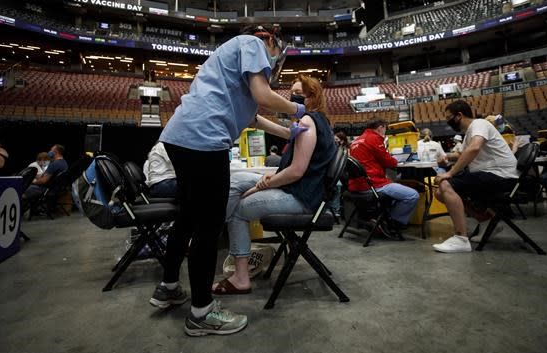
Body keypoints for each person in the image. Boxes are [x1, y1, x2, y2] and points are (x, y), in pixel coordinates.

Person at [151, 24, 307, 337]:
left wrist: (289, 131)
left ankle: (168, 287)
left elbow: (252, 117)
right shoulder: (252, 43)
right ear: (271, 40)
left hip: (180, 136)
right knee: (209, 227)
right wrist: (300, 110)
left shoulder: (230, 60)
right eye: (278, 49)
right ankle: (201, 313)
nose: (275, 58)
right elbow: (263, 95)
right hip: (204, 139)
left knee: (188, 217)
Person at [213, 75, 336, 295]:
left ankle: (240, 276)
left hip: (302, 197)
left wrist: (262, 186)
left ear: (312, 96)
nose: (293, 99)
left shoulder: (308, 121)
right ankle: (222, 228)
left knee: (238, 211)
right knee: (236, 181)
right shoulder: (314, 121)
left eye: (299, 94)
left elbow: (297, 171)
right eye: (292, 94)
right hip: (298, 189)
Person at [433, 100, 519, 253]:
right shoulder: (470, 132)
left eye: (448, 117)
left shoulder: (479, 123)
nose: (447, 121)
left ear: (459, 115)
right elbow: (462, 153)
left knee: (445, 184)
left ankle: (461, 238)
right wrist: (447, 156)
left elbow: (474, 148)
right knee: (441, 194)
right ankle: (488, 222)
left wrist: (450, 173)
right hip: (493, 175)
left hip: (500, 176)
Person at [348, 120, 420, 231]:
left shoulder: (355, 141)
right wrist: (396, 161)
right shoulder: (374, 138)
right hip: (373, 184)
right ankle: (391, 223)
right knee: (412, 195)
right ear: (381, 127)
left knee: (394, 191)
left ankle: (381, 219)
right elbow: (388, 162)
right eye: (385, 129)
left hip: (356, 186)